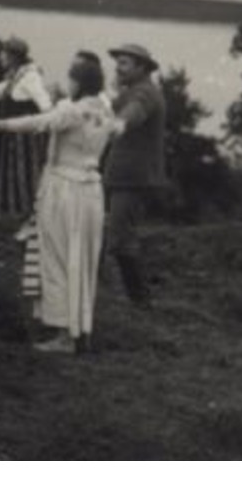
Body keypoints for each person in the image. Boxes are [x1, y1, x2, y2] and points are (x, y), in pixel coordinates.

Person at [0, 52, 122, 354]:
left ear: (79, 82)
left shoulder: (72, 111)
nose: (66, 83)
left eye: (71, 78)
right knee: (82, 259)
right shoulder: (106, 111)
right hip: (91, 191)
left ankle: (64, 335)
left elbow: (38, 122)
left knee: (57, 257)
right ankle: (79, 328)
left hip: (64, 189)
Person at [103, 42, 167, 307]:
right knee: (115, 236)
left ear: (142, 68)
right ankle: (125, 297)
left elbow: (133, 113)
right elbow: (111, 108)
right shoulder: (132, 90)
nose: (118, 67)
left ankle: (140, 302)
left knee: (120, 239)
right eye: (117, 62)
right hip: (121, 176)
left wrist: (120, 124)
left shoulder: (145, 93)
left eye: (125, 63)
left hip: (133, 178)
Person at [0, 37, 54, 219]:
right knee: (15, 172)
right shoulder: (17, 76)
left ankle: (31, 212)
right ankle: (17, 210)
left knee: (26, 172)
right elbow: (1, 90)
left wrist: (46, 120)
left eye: (4, 54)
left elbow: (45, 102)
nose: (1, 57)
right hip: (13, 134)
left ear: (13, 56)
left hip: (25, 137)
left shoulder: (30, 77)